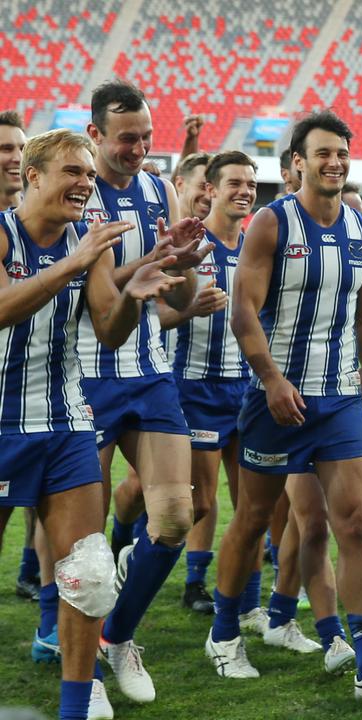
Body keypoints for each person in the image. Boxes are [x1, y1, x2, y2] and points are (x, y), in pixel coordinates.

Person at [205, 110, 362, 702]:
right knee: (252, 522)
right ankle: (225, 636)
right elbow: (243, 310)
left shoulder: (357, 226)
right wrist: (270, 380)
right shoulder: (271, 224)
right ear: (297, 162)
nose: (334, 162)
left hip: (339, 401)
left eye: (341, 153)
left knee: (354, 523)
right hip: (276, 404)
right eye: (322, 153)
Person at [1, 127, 186, 720]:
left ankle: (76, 707)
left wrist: (135, 292)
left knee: (89, 573)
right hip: (1, 424)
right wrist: (72, 265)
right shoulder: (3, 234)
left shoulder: (89, 239)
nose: (85, 184)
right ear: (33, 176)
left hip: (66, 422)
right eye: (71, 173)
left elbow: (108, 328)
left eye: (88, 174)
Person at [81, 80, 211, 706]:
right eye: (127, 138)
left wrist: (183, 265)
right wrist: (155, 257)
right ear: (95, 136)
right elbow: (95, 298)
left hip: (150, 371)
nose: (139, 149)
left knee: (176, 518)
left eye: (147, 138)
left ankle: (116, 638)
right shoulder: (77, 195)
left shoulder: (161, 189)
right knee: (83, 543)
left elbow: (178, 297)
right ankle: (76, 666)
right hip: (81, 375)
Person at [161, 152, 256, 620]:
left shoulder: (260, 244)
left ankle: (248, 598)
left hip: (248, 388)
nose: (243, 192)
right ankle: (190, 579)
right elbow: (152, 315)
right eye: (233, 183)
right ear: (211, 190)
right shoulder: (191, 245)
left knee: (252, 502)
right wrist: (189, 309)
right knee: (199, 499)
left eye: (250, 184)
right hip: (196, 386)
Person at [0, 109, 43, 603]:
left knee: (43, 494)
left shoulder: (35, 222)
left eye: (20, 147)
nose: (15, 158)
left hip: (36, 386)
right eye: (5, 149)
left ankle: (31, 570)